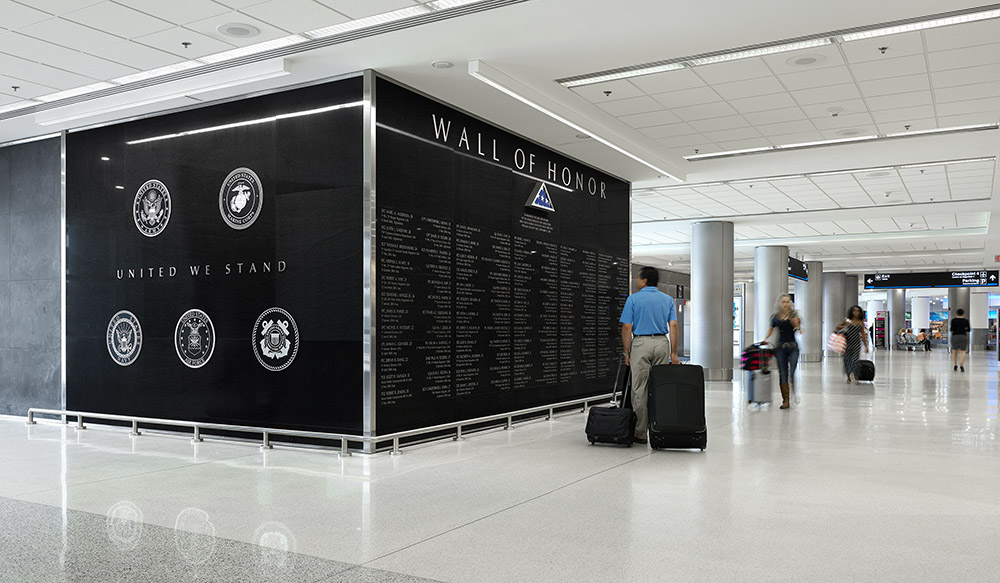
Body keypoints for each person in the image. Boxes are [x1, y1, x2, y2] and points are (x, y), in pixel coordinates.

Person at [620, 266, 679, 445]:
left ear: (644, 280)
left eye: (638, 277)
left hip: (641, 343)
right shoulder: (667, 299)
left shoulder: (633, 299)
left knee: (639, 389)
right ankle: (658, 429)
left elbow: (627, 327)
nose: (636, 280)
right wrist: (674, 353)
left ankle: (640, 433)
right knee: (658, 388)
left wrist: (627, 351)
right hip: (662, 343)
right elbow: (674, 326)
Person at [759, 293, 801, 409]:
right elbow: (771, 329)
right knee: (782, 373)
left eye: (788, 302)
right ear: (780, 304)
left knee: (792, 372)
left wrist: (797, 325)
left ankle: (794, 391)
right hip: (780, 347)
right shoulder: (775, 317)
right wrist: (765, 339)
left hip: (793, 347)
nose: (786, 304)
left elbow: (799, 329)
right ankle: (785, 400)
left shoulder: (794, 315)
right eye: (783, 302)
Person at [836, 305, 869, 384]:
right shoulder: (847, 320)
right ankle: (848, 377)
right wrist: (844, 325)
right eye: (854, 311)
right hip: (847, 343)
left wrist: (866, 346)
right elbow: (837, 328)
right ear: (851, 312)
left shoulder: (861, 322)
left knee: (855, 360)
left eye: (858, 311)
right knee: (847, 360)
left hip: (856, 344)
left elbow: (863, 335)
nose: (856, 313)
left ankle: (856, 375)